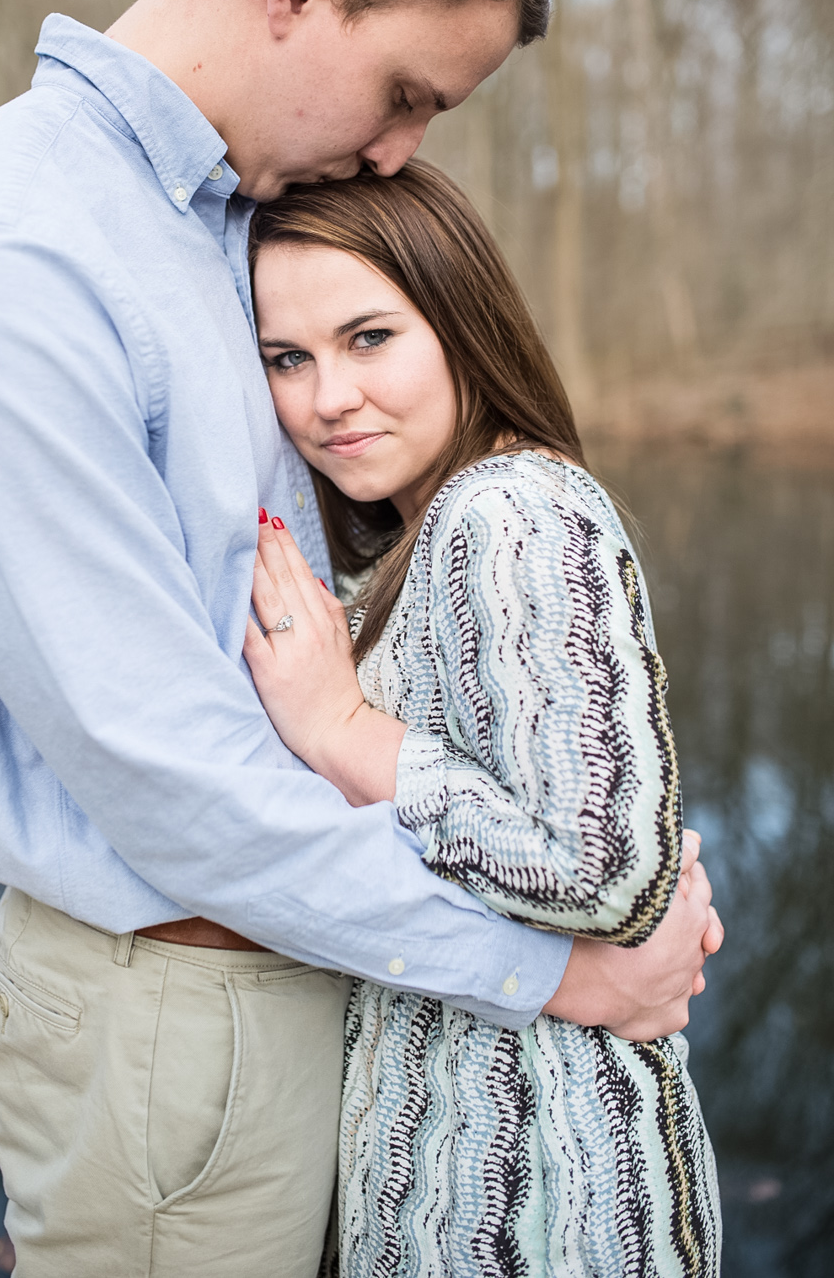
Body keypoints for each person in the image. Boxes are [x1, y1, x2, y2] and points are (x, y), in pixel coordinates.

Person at [0, 0, 719, 1272]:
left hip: (354, 993)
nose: (400, 156)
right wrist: (563, 969)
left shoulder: (225, 225)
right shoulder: (0, 265)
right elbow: (170, 776)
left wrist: (597, 845)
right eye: (408, 96)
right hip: (184, 1016)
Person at [241, 161, 720, 1275]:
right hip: (449, 1186)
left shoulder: (508, 508)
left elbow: (601, 867)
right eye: (286, 357)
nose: (326, 396)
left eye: (368, 337)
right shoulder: (420, 534)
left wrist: (338, 729)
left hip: (549, 1200)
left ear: (459, 321)